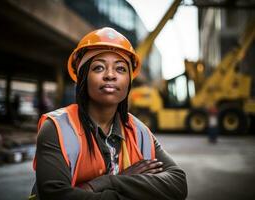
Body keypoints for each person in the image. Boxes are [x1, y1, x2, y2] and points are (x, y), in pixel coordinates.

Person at [30, 27, 187, 200]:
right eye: (98, 68)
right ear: (83, 78)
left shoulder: (140, 132)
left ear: (128, 81)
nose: (110, 75)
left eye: (120, 69)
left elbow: (178, 184)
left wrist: (107, 182)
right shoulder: (57, 128)